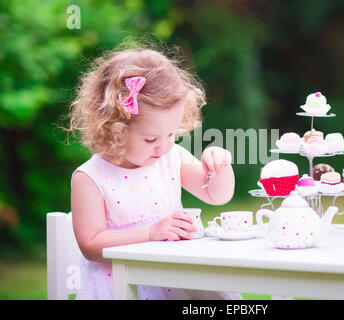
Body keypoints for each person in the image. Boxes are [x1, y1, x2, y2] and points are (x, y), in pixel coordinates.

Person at [67, 43, 241, 300]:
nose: (164, 145)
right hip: (122, 286)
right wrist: (150, 233)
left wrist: (220, 166)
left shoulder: (171, 157)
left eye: (171, 133)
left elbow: (216, 195)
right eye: (150, 139)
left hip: (174, 279)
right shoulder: (90, 177)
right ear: (114, 130)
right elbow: (91, 244)